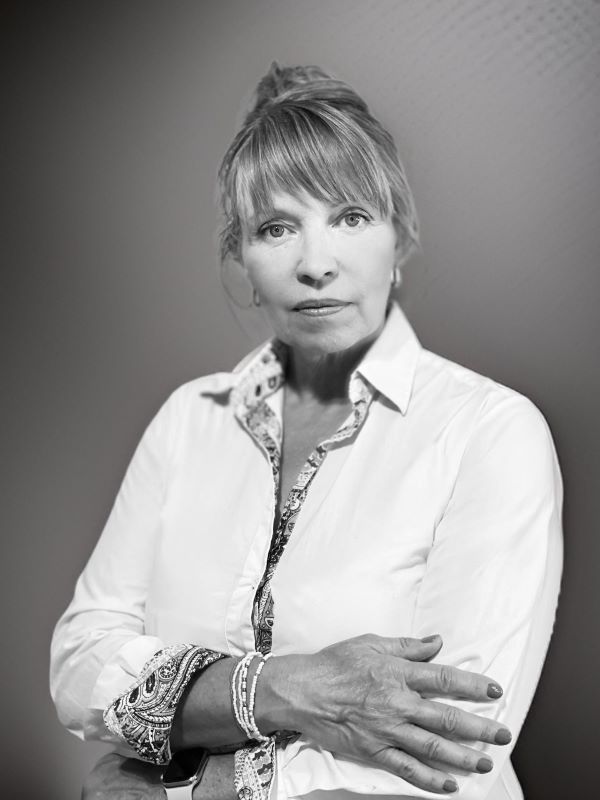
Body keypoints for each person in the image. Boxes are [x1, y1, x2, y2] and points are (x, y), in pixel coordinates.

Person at [50, 63, 563, 800]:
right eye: (277, 228)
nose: (316, 264)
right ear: (241, 258)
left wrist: (182, 782)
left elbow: (452, 744)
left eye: (350, 217)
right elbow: (79, 666)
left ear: (400, 239)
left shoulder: (490, 431)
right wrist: (288, 688)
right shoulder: (189, 420)